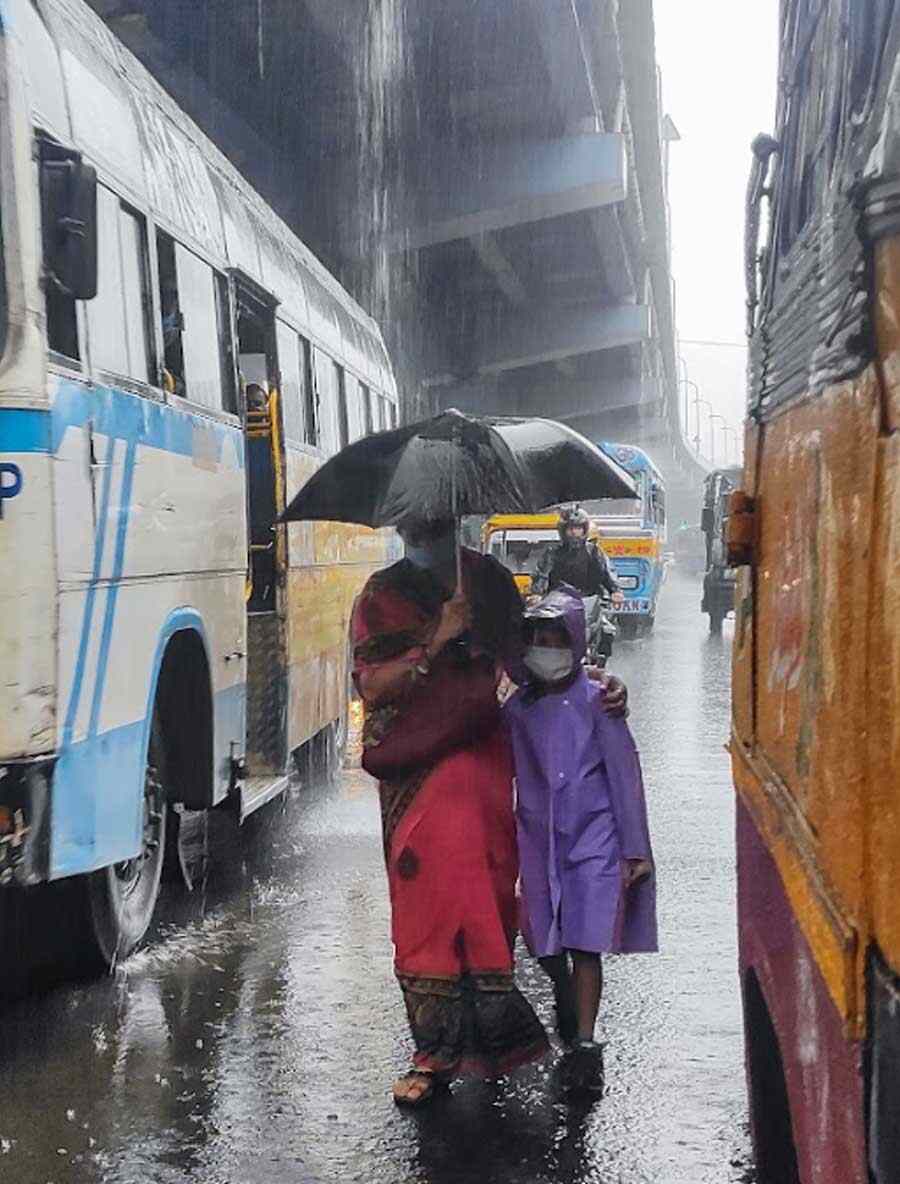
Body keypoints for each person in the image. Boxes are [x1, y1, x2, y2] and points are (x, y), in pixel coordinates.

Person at [351, 516, 629, 1106]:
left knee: (485, 894)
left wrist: (593, 682)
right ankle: (432, 1054)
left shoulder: (490, 581)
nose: (425, 526)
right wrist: (439, 635)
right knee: (426, 906)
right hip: (415, 771)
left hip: (484, 763)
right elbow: (372, 686)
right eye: (415, 518)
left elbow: (531, 661)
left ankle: (495, 1047)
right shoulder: (381, 595)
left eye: (437, 516)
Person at [503, 586, 657, 1096]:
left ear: (574, 642)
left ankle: (585, 1044)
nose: (546, 650)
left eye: (556, 639)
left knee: (585, 942)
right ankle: (564, 995)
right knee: (539, 936)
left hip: (594, 838)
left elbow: (624, 776)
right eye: (538, 640)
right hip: (538, 838)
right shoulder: (519, 710)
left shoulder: (598, 702)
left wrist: (634, 849)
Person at [531, 505, 623, 604]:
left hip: (589, 600)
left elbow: (606, 571)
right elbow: (542, 574)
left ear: (584, 530)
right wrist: (537, 593)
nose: (574, 532)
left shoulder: (593, 550)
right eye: (570, 528)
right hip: (559, 601)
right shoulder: (553, 552)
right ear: (563, 530)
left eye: (578, 528)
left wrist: (615, 590)